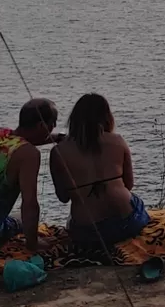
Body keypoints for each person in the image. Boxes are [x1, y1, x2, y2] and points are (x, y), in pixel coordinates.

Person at [49, 93, 149, 252]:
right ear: (107, 116)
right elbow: (128, 185)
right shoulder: (118, 141)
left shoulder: (58, 152)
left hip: (88, 233)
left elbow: (63, 197)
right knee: (136, 202)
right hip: (127, 223)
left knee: (74, 220)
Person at [0, 98, 61, 253]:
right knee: (21, 219)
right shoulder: (30, 155)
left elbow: (27, 141)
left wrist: (59, 138)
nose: (53, 128)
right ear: (42, 125)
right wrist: (33, 243)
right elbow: (29, 205)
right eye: (52, 124)